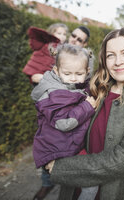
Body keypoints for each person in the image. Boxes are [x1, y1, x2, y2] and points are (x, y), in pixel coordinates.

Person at [46, 27, 124, 200]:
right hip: (79, 187)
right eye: (111, 55)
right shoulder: (96, 90)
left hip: (121, 191)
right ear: (104, 60)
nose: (118, 61)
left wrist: (62, 167)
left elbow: (123, 159)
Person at [32, 25, 93, 200]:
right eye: (73, 35)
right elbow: (64, 123)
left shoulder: (75, 76)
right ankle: (48, 184)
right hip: (58, 146)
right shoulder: (57, 90)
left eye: (78, 74)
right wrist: (88, 106)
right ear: (57, 71)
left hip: (67, 143)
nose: (73, 77)